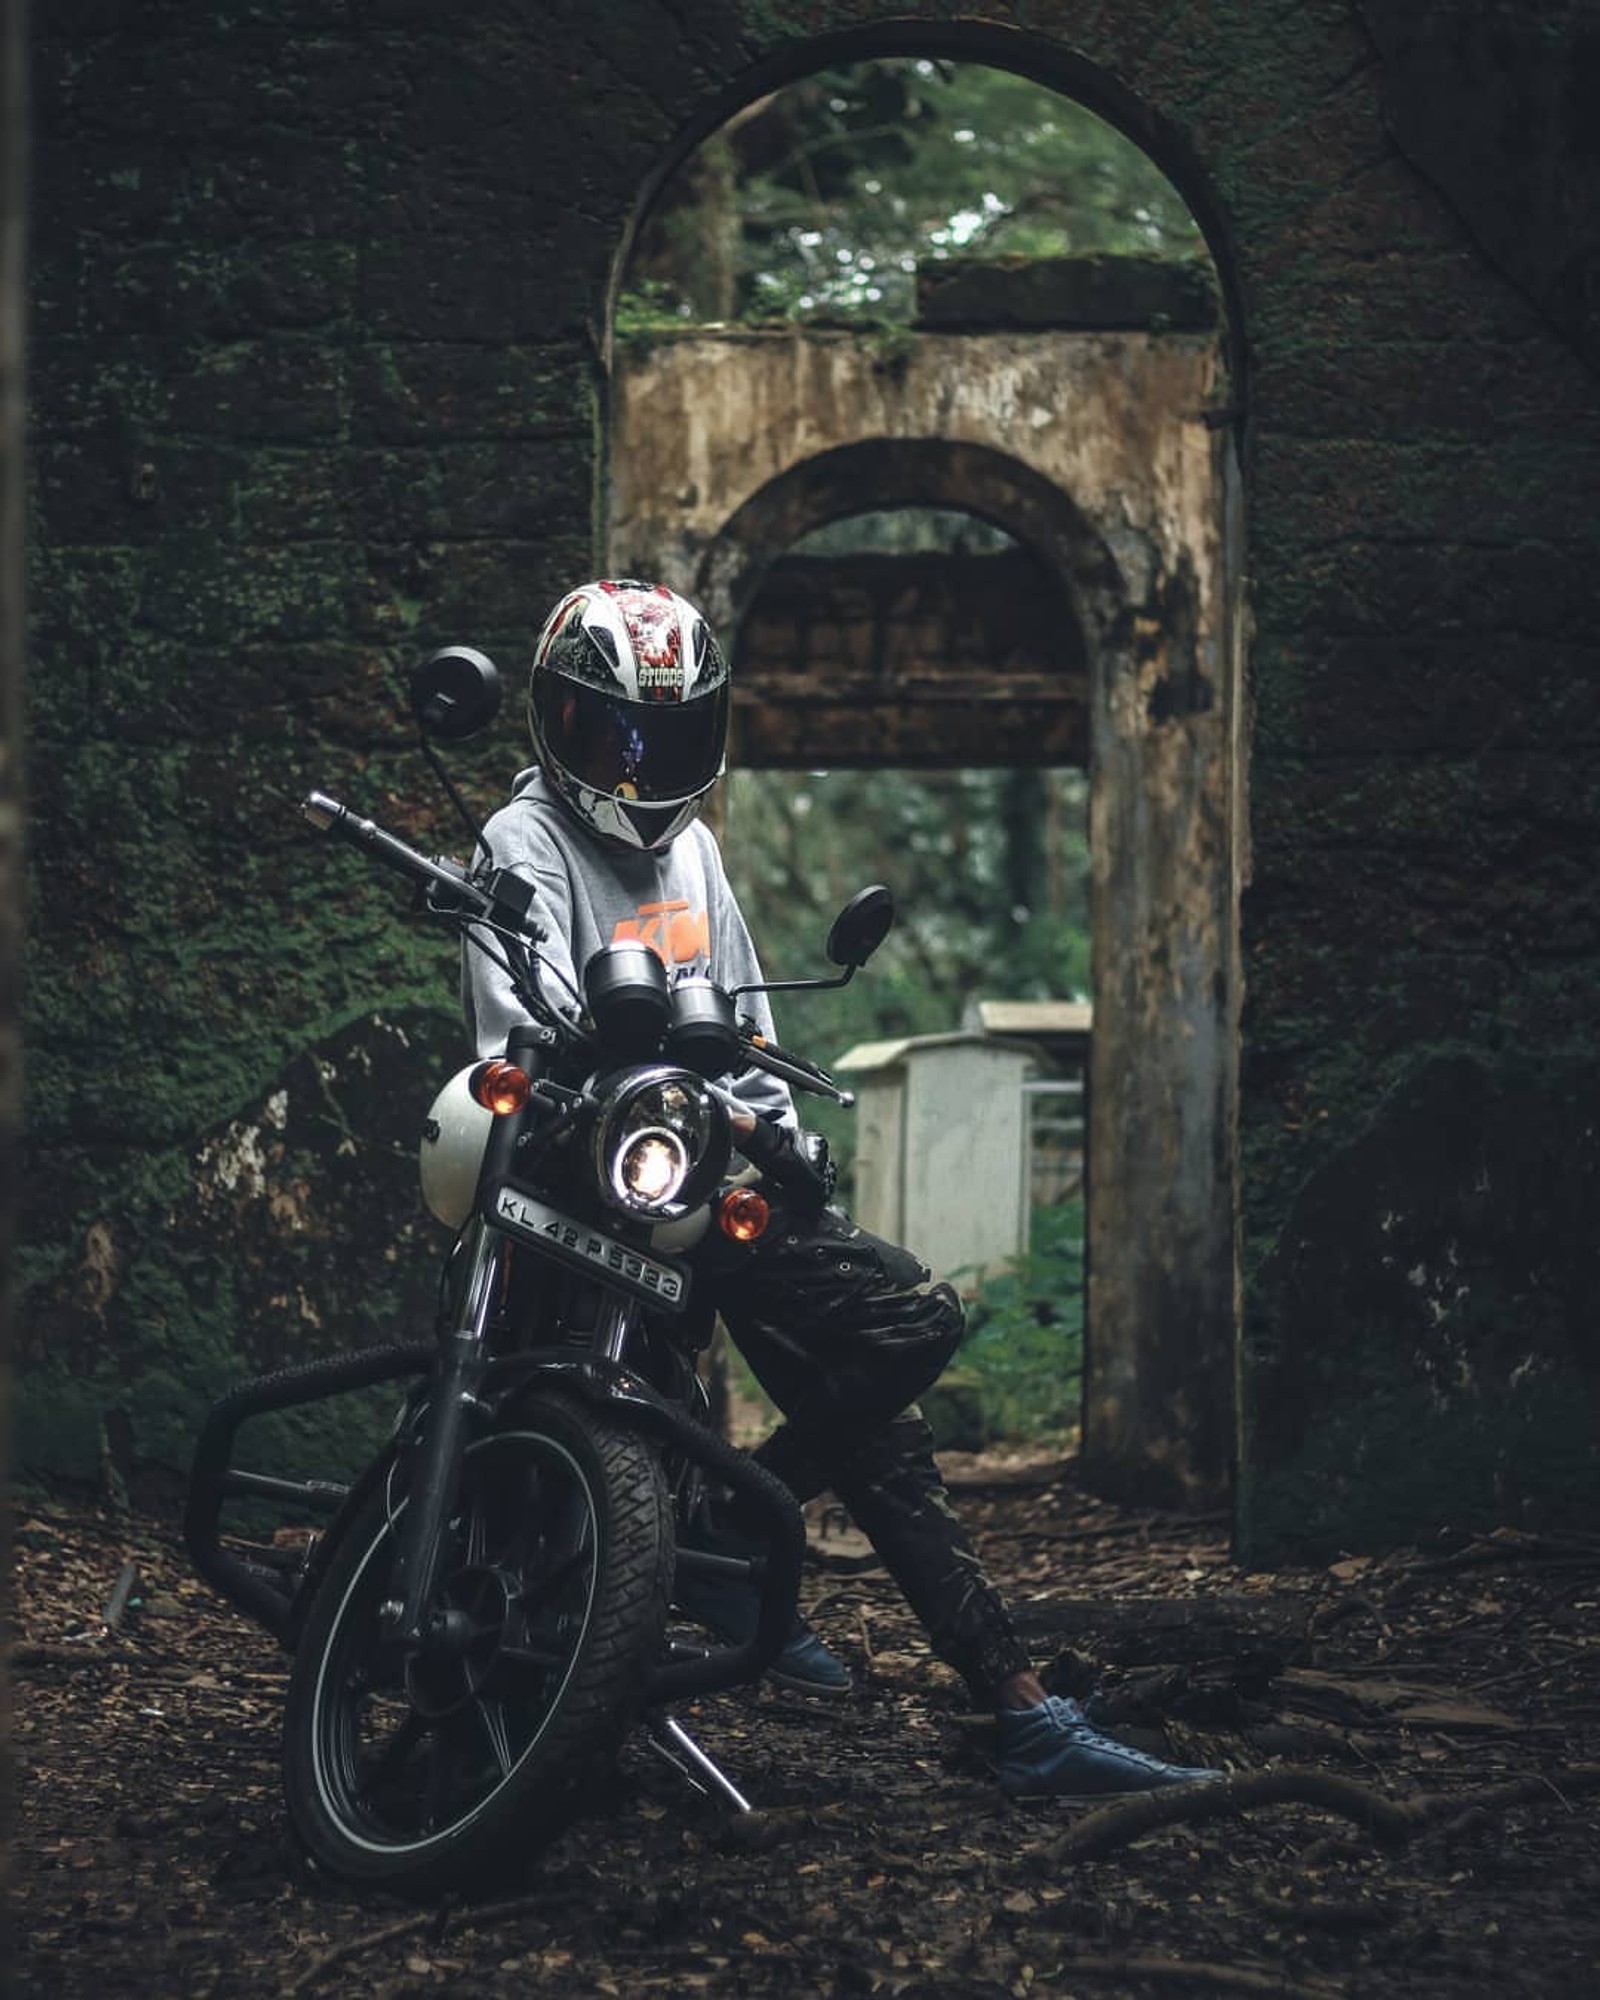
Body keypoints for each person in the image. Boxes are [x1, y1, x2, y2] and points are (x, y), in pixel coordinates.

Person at [463, 577, 1220, 1801]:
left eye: (670, 731)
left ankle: (740, 1543)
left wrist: (779, 1135)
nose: (640, 758)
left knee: (901, 1338)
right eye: (613, 731)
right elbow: (523, 1020)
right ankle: (1004, 1696)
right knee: (856, 1424)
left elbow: (744, 1016)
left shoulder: (694, 846)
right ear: (559, 721)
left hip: (703, 1170)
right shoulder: (524, 841)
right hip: (591, 1174)